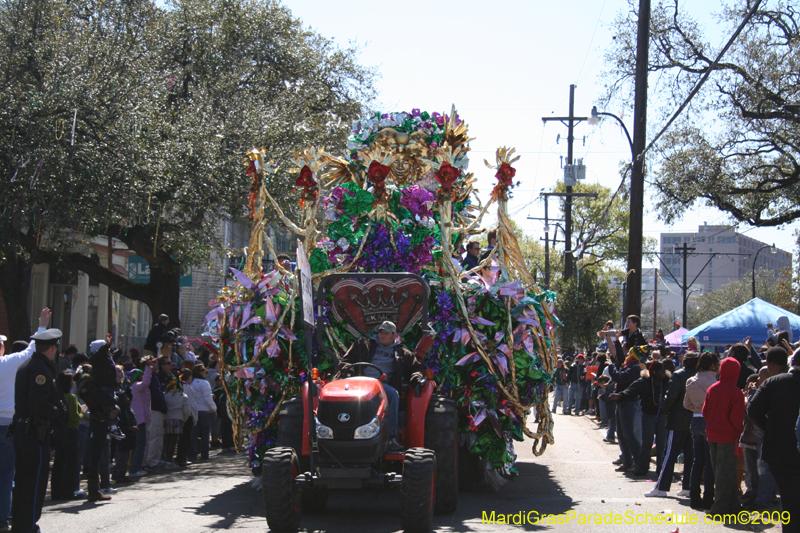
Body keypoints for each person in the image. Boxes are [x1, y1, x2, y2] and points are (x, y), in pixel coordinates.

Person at [335, 320, 424, 453]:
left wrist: (416, 377)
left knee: (393, 393)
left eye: (386, 333)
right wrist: (348, 370)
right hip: (359, 382)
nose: (383, 336)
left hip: (381, 385)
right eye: (381, 332)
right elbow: (346, 361)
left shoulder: (401, 353)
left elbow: (416, 368)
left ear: (394, 335)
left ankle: (391, 438)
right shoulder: (363, 345)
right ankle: (338, 434)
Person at [11, 327, 67, 533]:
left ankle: (21, 523)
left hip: (24, 430)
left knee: (24, 480)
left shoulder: (28, 365)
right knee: (34, 482)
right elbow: (38, 403)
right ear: (52, 348)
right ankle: (28, 524)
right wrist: (59, 412)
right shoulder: (40, 370)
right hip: (34, 432)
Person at [0, 308, 50, 531]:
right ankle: (2, 519)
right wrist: (41, 326)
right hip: (7, 425)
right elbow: (31, 351)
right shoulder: (7, 364)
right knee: (6, 474)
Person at [747, 348, 800, 533]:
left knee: (789, 499)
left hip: (779, 449)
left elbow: (753, 411)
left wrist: (771, 426)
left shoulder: (773, 382)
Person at [648, 351, 698, 498]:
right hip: (694, 418)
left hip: (678, 418)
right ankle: (687, 486)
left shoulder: (679, 375)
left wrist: (664, 411)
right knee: (690, 454)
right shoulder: (699, 376)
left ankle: (662, 487)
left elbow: (671, 396)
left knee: (670, 454)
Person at [609, 360, 670, 478]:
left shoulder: (667, 382)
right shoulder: (644, 382)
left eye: (664, 370)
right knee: (647, 443)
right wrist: (620, 395)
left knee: (662, 444)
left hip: (662, 416)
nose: (663, 373)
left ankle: (661, 470)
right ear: (653, 372)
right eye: (660, 371)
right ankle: (642, 468)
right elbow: (631, 391)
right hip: (648, 415)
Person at [702, 356, 745, 516]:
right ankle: (719, 508)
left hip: (712, 434)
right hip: (727, 437)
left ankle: (733, 505)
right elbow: (736, 418)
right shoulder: (736, 393)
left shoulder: (712, 388)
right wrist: (740, 431)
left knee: (720, 471)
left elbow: (705, 412)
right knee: (725, 473)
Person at [683, 351, 719, 510]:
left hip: (695, 419)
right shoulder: (714, 382)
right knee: (710, 462)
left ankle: (694, 495)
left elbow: (686, 404)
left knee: (697, 461)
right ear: (713, 365)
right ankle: (708, 497)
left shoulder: (691, 381)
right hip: (709, 420)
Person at [50, 371, 82, 501]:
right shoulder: (71, 397)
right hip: (71, 430)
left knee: (59, 462)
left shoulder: (55, 396)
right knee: (71, 462)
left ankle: (56, 491)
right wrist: (82, 413)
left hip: (59, 431)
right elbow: (75, 416)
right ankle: (68, 491)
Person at [187, 364, 217, 461]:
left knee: (194, 435)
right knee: (205, 435)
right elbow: (208, 398)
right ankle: (204, 455)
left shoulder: (191, 383)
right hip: (205, 411)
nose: (205, 372)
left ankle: (193, 455)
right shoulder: (204, 383)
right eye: (203, 370)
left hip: (195, 411)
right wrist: (214, 408)